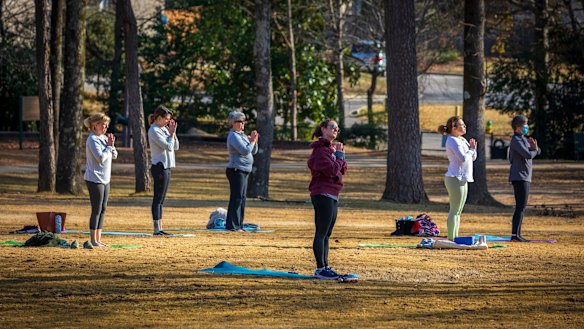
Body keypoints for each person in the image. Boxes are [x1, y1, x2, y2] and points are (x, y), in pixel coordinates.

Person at [308, 119, 347, 280]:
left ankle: (325, 266)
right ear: (323, 129)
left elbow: (342, 169)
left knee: (327, 233)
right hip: (322, 193)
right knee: (321, 232)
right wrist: (338, 158)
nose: (335, 130)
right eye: (332, 127)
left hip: (333, 194)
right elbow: (332, 170)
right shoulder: (320, 150)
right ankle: (320, 268)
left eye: (337, 128)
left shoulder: (330, 150)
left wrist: (340, 157)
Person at [438, 116, 477, 241]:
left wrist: (473, 149)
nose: (464, 126)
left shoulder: (462, 140)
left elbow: (472, 157)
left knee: (459, 211)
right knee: (454, 210)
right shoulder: (452, 140)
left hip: (463, 178)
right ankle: (451, 238)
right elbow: (463, 157)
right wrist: (471, 150)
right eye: (461, 124)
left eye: (464, 124)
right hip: (455, 177)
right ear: (454, 128)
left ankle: (456, 238)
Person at [84, 112, 117, 247]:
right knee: (96, 209)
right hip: (94, 178)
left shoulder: (103, 138)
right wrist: (109, 147)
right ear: (95, 125)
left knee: (103, 208)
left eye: (107, 125)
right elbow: (100, 158)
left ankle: (98, 239)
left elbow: (114, 154)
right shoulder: (92, 139)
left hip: (105, 179)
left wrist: (112, 146)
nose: (106, 127)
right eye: (104, 124)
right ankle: (93, 240)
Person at [148, 106, 179, 236]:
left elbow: (176, 146)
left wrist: (173, 133)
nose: (168, 122)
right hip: (159, 167)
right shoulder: (154, 130)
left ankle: (160, 227)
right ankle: (156, 228)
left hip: (167, 167)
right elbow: (167, 146)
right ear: (159, 118)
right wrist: (171, 134)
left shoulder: (164, 130)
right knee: (158, 198)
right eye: (166, 119)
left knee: (162, 200)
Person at [508, 115, 540, 242]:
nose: (527, 127)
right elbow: (528, 154)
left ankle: (518, 234)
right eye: (525, 125)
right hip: (519, 176)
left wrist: (535, 149)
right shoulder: (516, 140)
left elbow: (537, 151)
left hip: (526, 176)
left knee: (522, 206)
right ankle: (515, 235)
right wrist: (534, 150)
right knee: (520, 206)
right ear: (518, 127)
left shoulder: (524, 139)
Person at [225, 111, 258, 232]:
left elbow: (253, 151)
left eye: (242, 121)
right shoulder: (233, 135)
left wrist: (254, 141)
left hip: (244, 170)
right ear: (232, 123)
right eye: (238, 121)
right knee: (236, 197)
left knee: (242, 198)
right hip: (235, 170)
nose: (241, 124)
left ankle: (239, 224)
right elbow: (244, 151)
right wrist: (252, 142)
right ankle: (232, 225)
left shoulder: (242, 135)